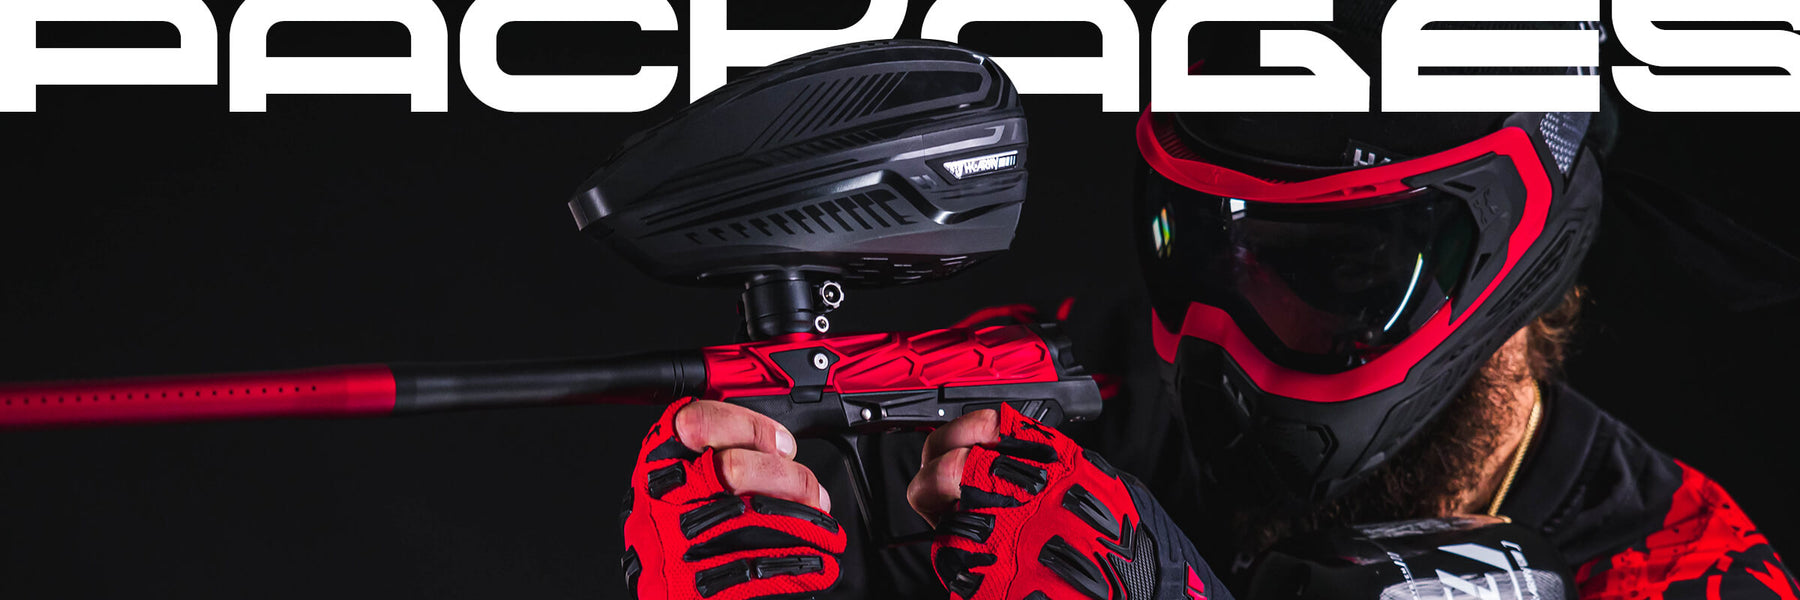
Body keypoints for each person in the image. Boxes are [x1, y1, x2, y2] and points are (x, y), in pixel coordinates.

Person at [616, 11, 1798, 600]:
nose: (1240, 321)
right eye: (1203, 247)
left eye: (1335, 270)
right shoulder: (1030, 420)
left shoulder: (1679, 567)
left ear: (1514, 258)